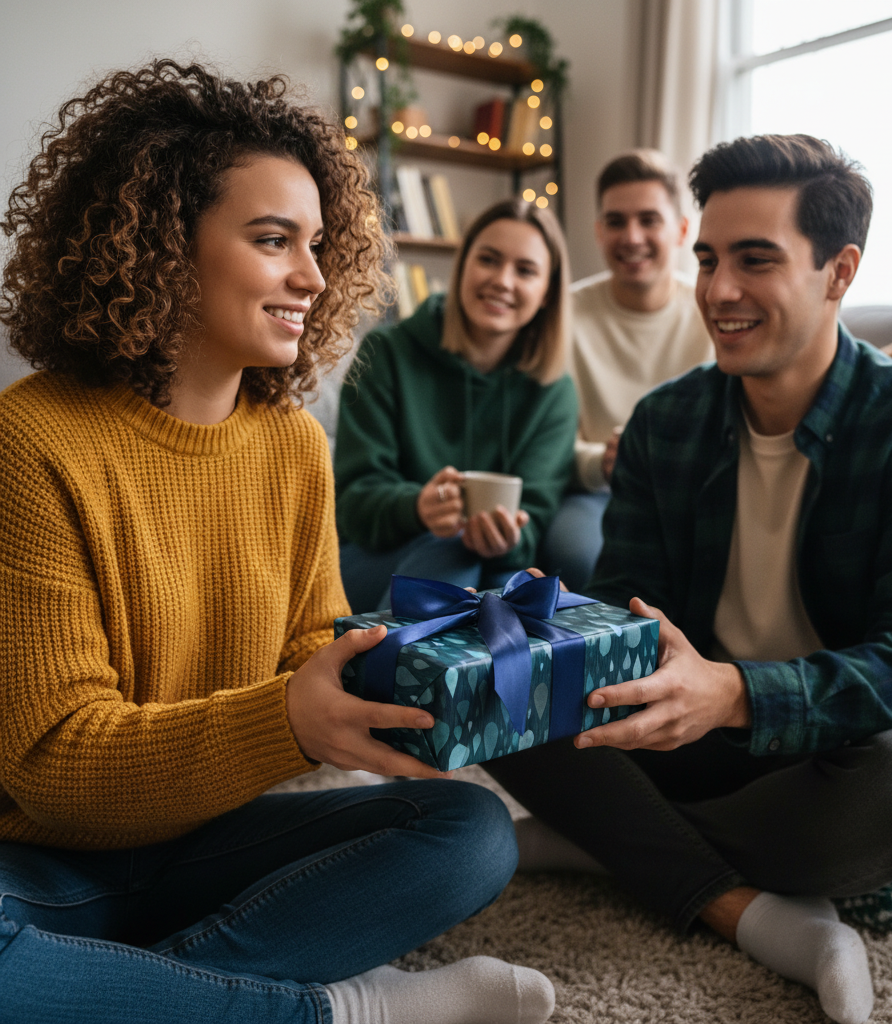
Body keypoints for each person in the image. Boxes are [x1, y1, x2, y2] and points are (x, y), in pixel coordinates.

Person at [0, 59, 556, 1024]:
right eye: (272, 240)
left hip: (217, 838)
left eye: (316, 243)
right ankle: (338, 1011)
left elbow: (309, 654)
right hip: (50, 858)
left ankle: (137, 997)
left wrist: (445, 663)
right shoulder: (31, 439)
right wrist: (288, 721)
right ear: (164, 246)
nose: (313, 275)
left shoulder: (297, 447)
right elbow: (53, 768)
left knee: (471, 829)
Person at [487, 134, 892, 1024]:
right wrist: (556, 635)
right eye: (707, 259)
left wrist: (736, 693)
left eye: (755, 260)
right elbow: (628, 621)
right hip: (688, 737)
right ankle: (753, 906)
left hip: (839, 748)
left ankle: (606, 843)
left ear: (838, 271)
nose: (717, 291)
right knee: (511, 690)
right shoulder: (666, 424)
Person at [334, 198, 577, 613]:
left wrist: (509, 539)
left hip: (489, 568)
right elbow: (352, 504)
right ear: (462, 266)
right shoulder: (387, 353)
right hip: (377, 560)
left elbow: (533, 525)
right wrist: (417, 508)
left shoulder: (554, 392)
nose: (502, 281)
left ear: (546, 294)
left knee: (521, 592)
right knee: (456, 554)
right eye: (488, 259)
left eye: (525, 270)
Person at [542, 149, 712, 591]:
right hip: (597, 492)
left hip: (692, 492)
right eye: (616, 222)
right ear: (599, 231)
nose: (631, 237)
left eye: (649, 220)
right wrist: (603, 463)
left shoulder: (713, 311)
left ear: (681, 230)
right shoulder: (563, 313)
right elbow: (547, 439)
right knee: (578, 554)